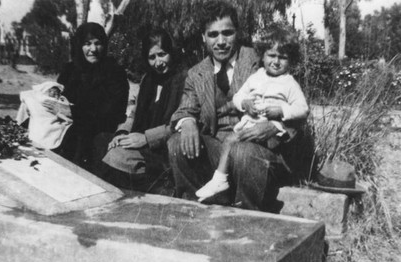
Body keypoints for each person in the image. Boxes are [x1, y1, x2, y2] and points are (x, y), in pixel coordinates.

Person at [168, 0, 311, 212]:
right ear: (203, 38)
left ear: (238, 32)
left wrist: (276, 127)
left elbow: (298, 108)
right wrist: (187, 122)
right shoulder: (196, 73)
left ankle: (247, 220)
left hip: (262, 149)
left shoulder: (263, 58)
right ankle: (198, 211)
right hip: (220, 149)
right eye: (213, 35)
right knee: (177, 142)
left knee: (243, 152)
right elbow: (185, 109)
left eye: (227, 33)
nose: (221, 41)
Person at [195, 27, 309, 202]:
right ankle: (220, 180)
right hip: (249, 126)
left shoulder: (289, 83)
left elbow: (303, 109)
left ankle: (224, 183)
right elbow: (239, 96)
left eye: (283, 57)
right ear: (262, 56)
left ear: (290, 60)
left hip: (273, 138)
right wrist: (245, 103)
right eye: (271, 55)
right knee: (230, 141)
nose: (276, 62)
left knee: (240, 148)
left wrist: (282, 111)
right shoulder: (257, 77)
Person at [100, 28, 187, 192]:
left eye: (162, 54)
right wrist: (122, 133)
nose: (158, 62)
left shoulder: (184, 81)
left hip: (165, 149)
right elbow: (133, 114)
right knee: (104, 143)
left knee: (116, 159)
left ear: (172, 52)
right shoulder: (148, 80)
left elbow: (179, 125)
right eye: (152, 57)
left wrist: (146, 138)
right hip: (141, 141)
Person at [48, 22, 129, 171]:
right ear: (79, 45)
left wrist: (75, 115)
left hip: (99, 129)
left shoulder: (114, 72)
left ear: (104, 45)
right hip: (68, 125)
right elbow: (59, 98)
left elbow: (113, 112)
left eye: (98, 44)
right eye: (87, 44)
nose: (93, 49)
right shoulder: (70, 70)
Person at [16, 81, 73, 149]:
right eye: (51, 91)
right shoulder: (38, 98)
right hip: (41, 123)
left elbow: (66, 105)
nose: (54, 94)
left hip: (56, 121)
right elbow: (32, 100)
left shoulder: (61, 99)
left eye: (57, 92)